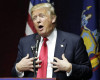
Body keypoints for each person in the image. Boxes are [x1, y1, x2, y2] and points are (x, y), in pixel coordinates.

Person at [12, 3, 92, 80]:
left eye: (41, 16)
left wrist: (70, 68)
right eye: (34, 18)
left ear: (53, 18)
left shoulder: (73, 41)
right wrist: (18, 68)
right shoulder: (25, 42)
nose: (38, 20)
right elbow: (14, 73)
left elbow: (88, 72)